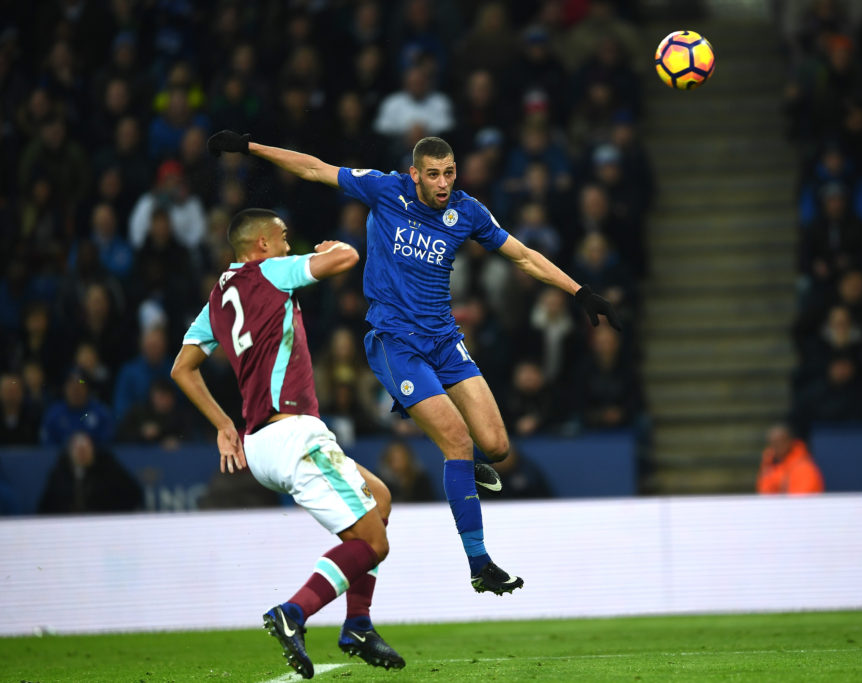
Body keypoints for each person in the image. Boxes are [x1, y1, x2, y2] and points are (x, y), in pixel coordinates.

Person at [207, 130, 622, 596]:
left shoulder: (466, 211)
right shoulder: (385, 189)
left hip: (444, 340)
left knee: (498, 446)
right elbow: (314, 167)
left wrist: (579, 291)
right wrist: (250, 147)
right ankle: (479, 563)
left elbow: (522, 256)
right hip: (394, 341)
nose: (443, 183)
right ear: (414, 174)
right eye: (433, 174)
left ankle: (458, 464)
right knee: (459, 443)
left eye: (449, 173)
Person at [170, 208, 403, 678]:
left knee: (378, 498)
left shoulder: (217, 298)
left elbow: (181, 367)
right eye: (281, 237)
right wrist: (328, 250)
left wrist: (222, 424)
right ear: (260, 246)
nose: (286, 244)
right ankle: (293, 612)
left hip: (261, 443)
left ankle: (357, 624)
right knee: (374, 542)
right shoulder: (270, 272)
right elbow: (347, 258)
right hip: (295, 432)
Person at [36, 431, 143, 514]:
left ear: (92, 449)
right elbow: (47, 505)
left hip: (103, 522)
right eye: (78, 450)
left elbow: (132, 494)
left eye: (85, 449)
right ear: (70, 452)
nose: (82, 454)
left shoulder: (108, 469)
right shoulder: (60, 473)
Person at [756, 424, 825, 495]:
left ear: (790, 441)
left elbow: (802, 500)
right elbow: (764, 493)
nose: (775, 447)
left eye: (779, 442)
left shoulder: (804, 468)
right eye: (772, 443)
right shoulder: (769, 464)